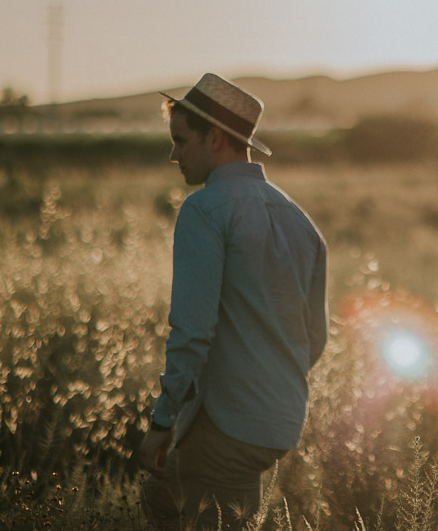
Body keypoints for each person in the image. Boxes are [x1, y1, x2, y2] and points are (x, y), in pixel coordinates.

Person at [137, 73, 328, 530]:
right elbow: (315, 339)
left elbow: (192, 332)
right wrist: (269, 385)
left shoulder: (205, 210)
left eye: (181, 140)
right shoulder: (300, 221)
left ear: (215, 138)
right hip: (279, 421)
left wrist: (161, 424)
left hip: (226, 424)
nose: (174, 154)